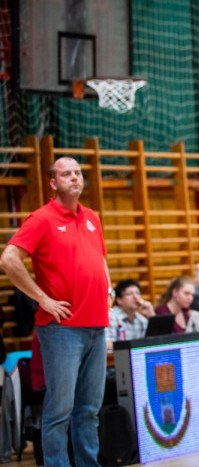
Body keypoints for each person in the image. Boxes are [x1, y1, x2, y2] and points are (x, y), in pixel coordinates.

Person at [0, 156, 111, 467]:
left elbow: (100, 259)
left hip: (96, 326)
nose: (74, 178)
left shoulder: (92, 217)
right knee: (60, 411)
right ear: (53, 183)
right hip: (62, 329)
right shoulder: (42, 219)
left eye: (77, 173)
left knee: (89, 410)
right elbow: (9, 259)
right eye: (66, 174)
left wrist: (110, 290)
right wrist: (42, 299)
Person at [106, 278, 155, 350]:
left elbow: (154, 342)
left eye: (137, 293)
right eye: (130, 294)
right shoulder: (110, 316)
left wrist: (151, 315)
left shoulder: (141, 319)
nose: (135, 297)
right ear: (119, 300)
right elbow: (106, 345)